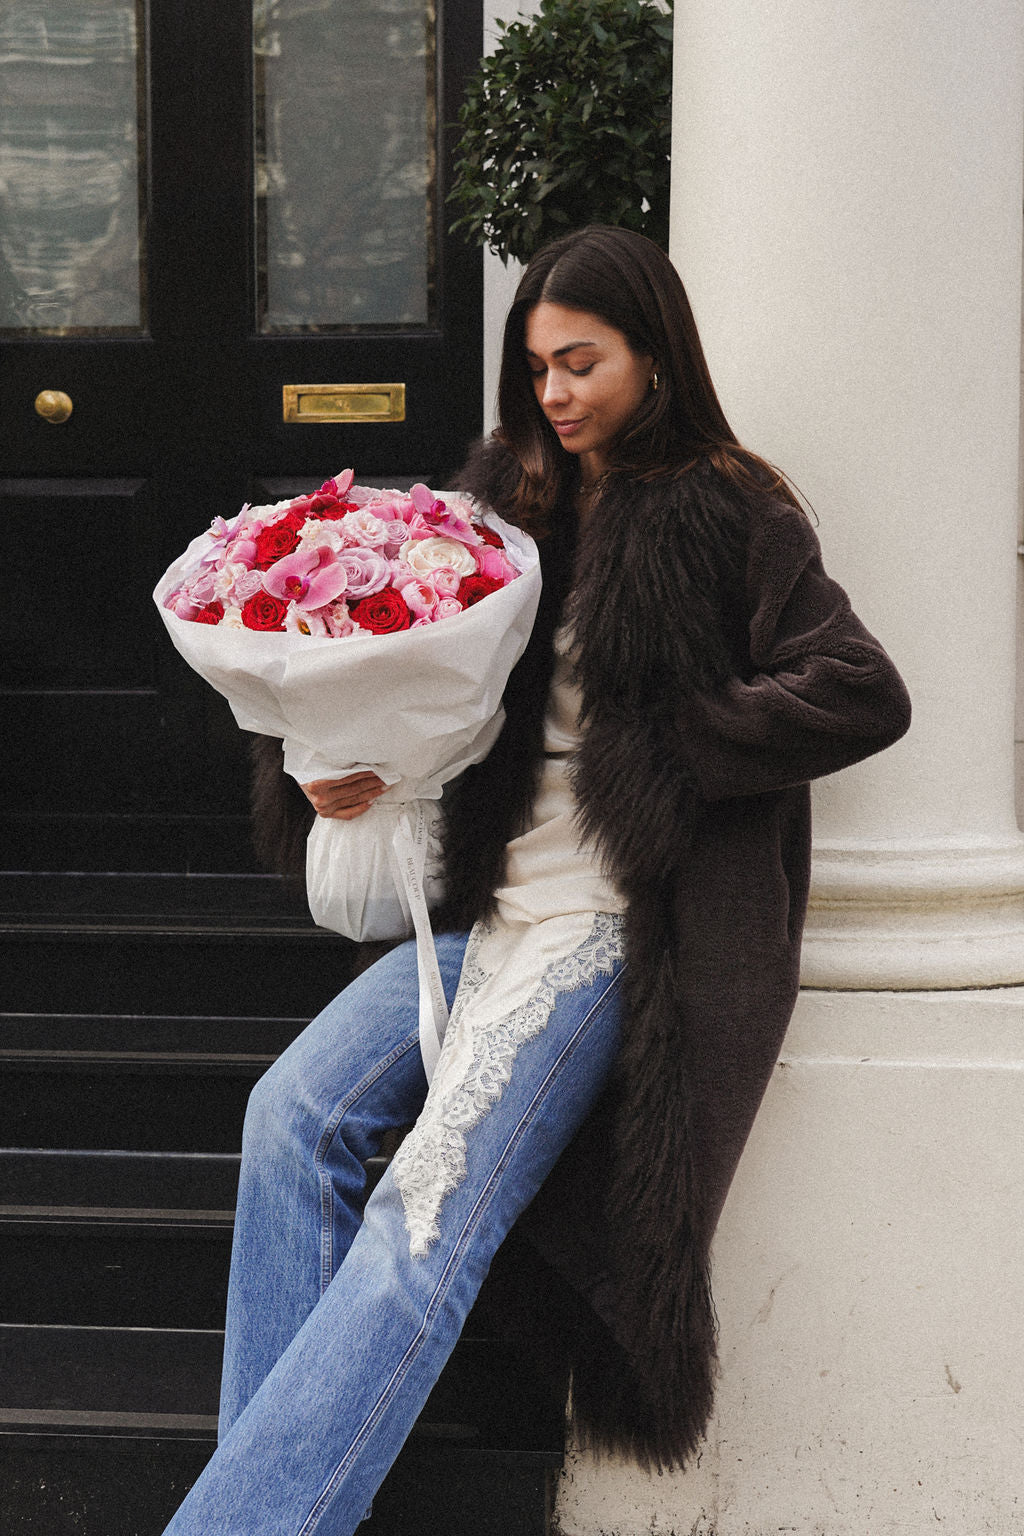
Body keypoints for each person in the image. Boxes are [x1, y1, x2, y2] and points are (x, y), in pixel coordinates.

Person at [162, 225, 911, 1534]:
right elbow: (423, 697)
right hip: (485, 908)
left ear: (656, 358)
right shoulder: (503, 499)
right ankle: (265, 1504)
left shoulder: (732, 506)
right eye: (538, 365)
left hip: (609, 928)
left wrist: (669, 741)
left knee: (427, 1209)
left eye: (583, 363)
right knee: (290, 1123)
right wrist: (337, 766)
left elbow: (861, 689)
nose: (555, 392)